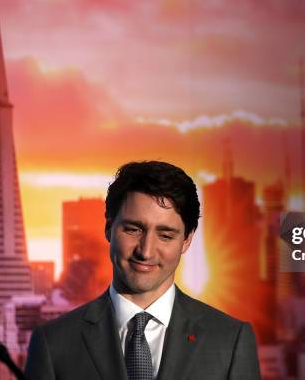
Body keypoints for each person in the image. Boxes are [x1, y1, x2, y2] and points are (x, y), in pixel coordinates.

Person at [25, 161, 261, 380]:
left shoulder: (230, 341)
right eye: (133, 230)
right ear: (108, 227)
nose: (146, 252)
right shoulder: (53, 343)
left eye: (166, 235)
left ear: (187, 240)